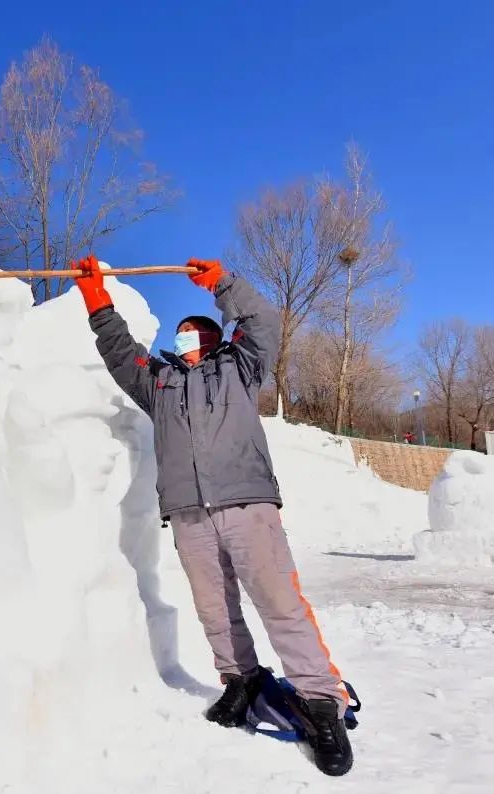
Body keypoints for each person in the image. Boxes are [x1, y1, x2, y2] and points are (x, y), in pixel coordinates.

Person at [74, 254, 353, 777]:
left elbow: (262, 322)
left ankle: (321, 701)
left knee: (279, 602)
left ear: (213, 337)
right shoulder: (158, 383)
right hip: (188, 513)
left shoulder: (238, 368)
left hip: (246, 502)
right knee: (214, 609)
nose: (184, 338)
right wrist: (98, 301)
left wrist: (223, 285)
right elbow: (119, 355)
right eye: (178, 334)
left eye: (192, 331)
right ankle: (242, 680)